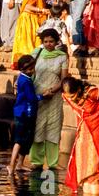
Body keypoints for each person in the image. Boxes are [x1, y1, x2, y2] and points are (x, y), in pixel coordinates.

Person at [62, 77, 99, 195]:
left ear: (78, 90)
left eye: (73, 96)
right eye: (68, 97)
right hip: (83, 132)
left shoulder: (92, 92)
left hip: (98, 132)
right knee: (84, 174)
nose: (70, 99)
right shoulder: (66, 96)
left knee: (94, 173)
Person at [29, 29, 69, 170]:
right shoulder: (36, 53)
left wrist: (52, 90)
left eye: (51, 41)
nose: (48, 44)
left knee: (54, 126)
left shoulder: (62, 56)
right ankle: (36, 161)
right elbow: (28, 72)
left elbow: (64, 78)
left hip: (54, 97)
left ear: (57, 41)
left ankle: (52, 162)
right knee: (38, 127)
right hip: (38, 96)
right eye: (45, 41)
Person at [7, 55, 51, 175]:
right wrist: (43, 95)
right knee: (20, 139)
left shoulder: (23, 78)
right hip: (25, 113)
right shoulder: (26, 81)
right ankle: (12, 164)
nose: (32, 71)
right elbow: (31, 98)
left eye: (32, 68)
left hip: (25, 113)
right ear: (23, 69)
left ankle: (19, 164)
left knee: (26, 139)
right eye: (29, 69)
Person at [11, 0, 51, 69]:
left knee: (23, 41)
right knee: (28, 41)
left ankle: (23, 62)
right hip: (28, 19)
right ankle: (28, 61)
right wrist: (42, 10)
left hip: (26, 19)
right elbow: (27, 7)